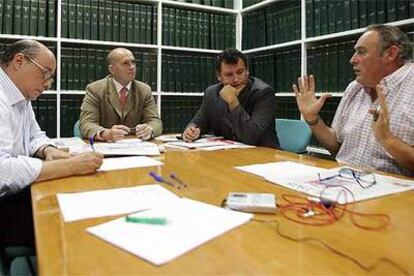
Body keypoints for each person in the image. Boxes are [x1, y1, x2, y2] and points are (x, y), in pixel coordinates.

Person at [0, 39, 103, 247]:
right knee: (81, 225)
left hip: (16, 194)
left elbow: (34, 136)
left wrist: (46, 150)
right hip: (4, 206)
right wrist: (68, 166)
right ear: (19, 61)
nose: (48, 83)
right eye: (45, 74)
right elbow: (2, 171)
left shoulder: (21, 97)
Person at [293, 24, 414, 176]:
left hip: (394, 195)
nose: (352, 60)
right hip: (343, 182)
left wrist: (389, 141)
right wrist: (312, 118)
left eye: (361, 52)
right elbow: (338, 147)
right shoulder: (354, 88)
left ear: (390, 54)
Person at [182, 48, 279, 148]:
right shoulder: (211, 93)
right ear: (219, 76)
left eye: (240, 72)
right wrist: (191, 131)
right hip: (229, 155)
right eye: (229, 75)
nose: (236, 79)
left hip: (264, 156)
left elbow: (251, 136)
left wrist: (233, 102)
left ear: (247, 71)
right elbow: (198, 122)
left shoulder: (263, 93)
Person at [79, 48, 162, 142]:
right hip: (105, 147)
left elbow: (155, 121)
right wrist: (106, 133)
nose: (132, 67)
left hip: (135, 146)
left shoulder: (144, 90)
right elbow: (86, 123)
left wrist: (149, 129)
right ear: (112, 69)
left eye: (133, 62)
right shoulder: (95, 89)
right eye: (125, 63)